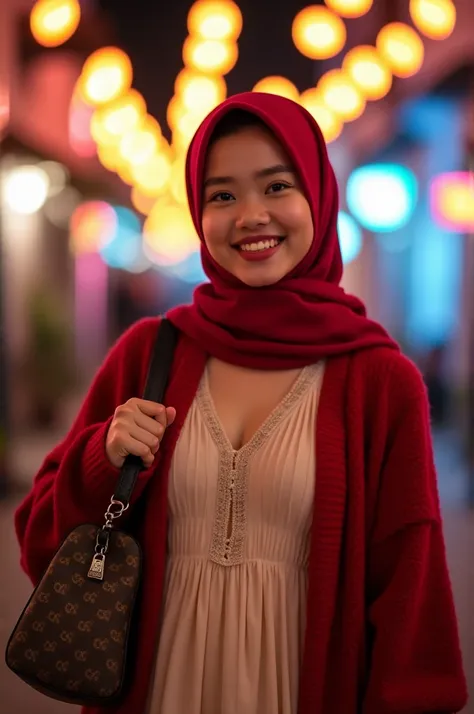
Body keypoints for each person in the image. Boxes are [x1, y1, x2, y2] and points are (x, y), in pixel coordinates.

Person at [15, 92, 467, 714]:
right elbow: (39, 538)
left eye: (276, 186)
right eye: (222, 195)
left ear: (317, 195)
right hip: (156, 689)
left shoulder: (380, 382)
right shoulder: (150, 353)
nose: (251, 215)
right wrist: (102, 457)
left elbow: (411, 599)